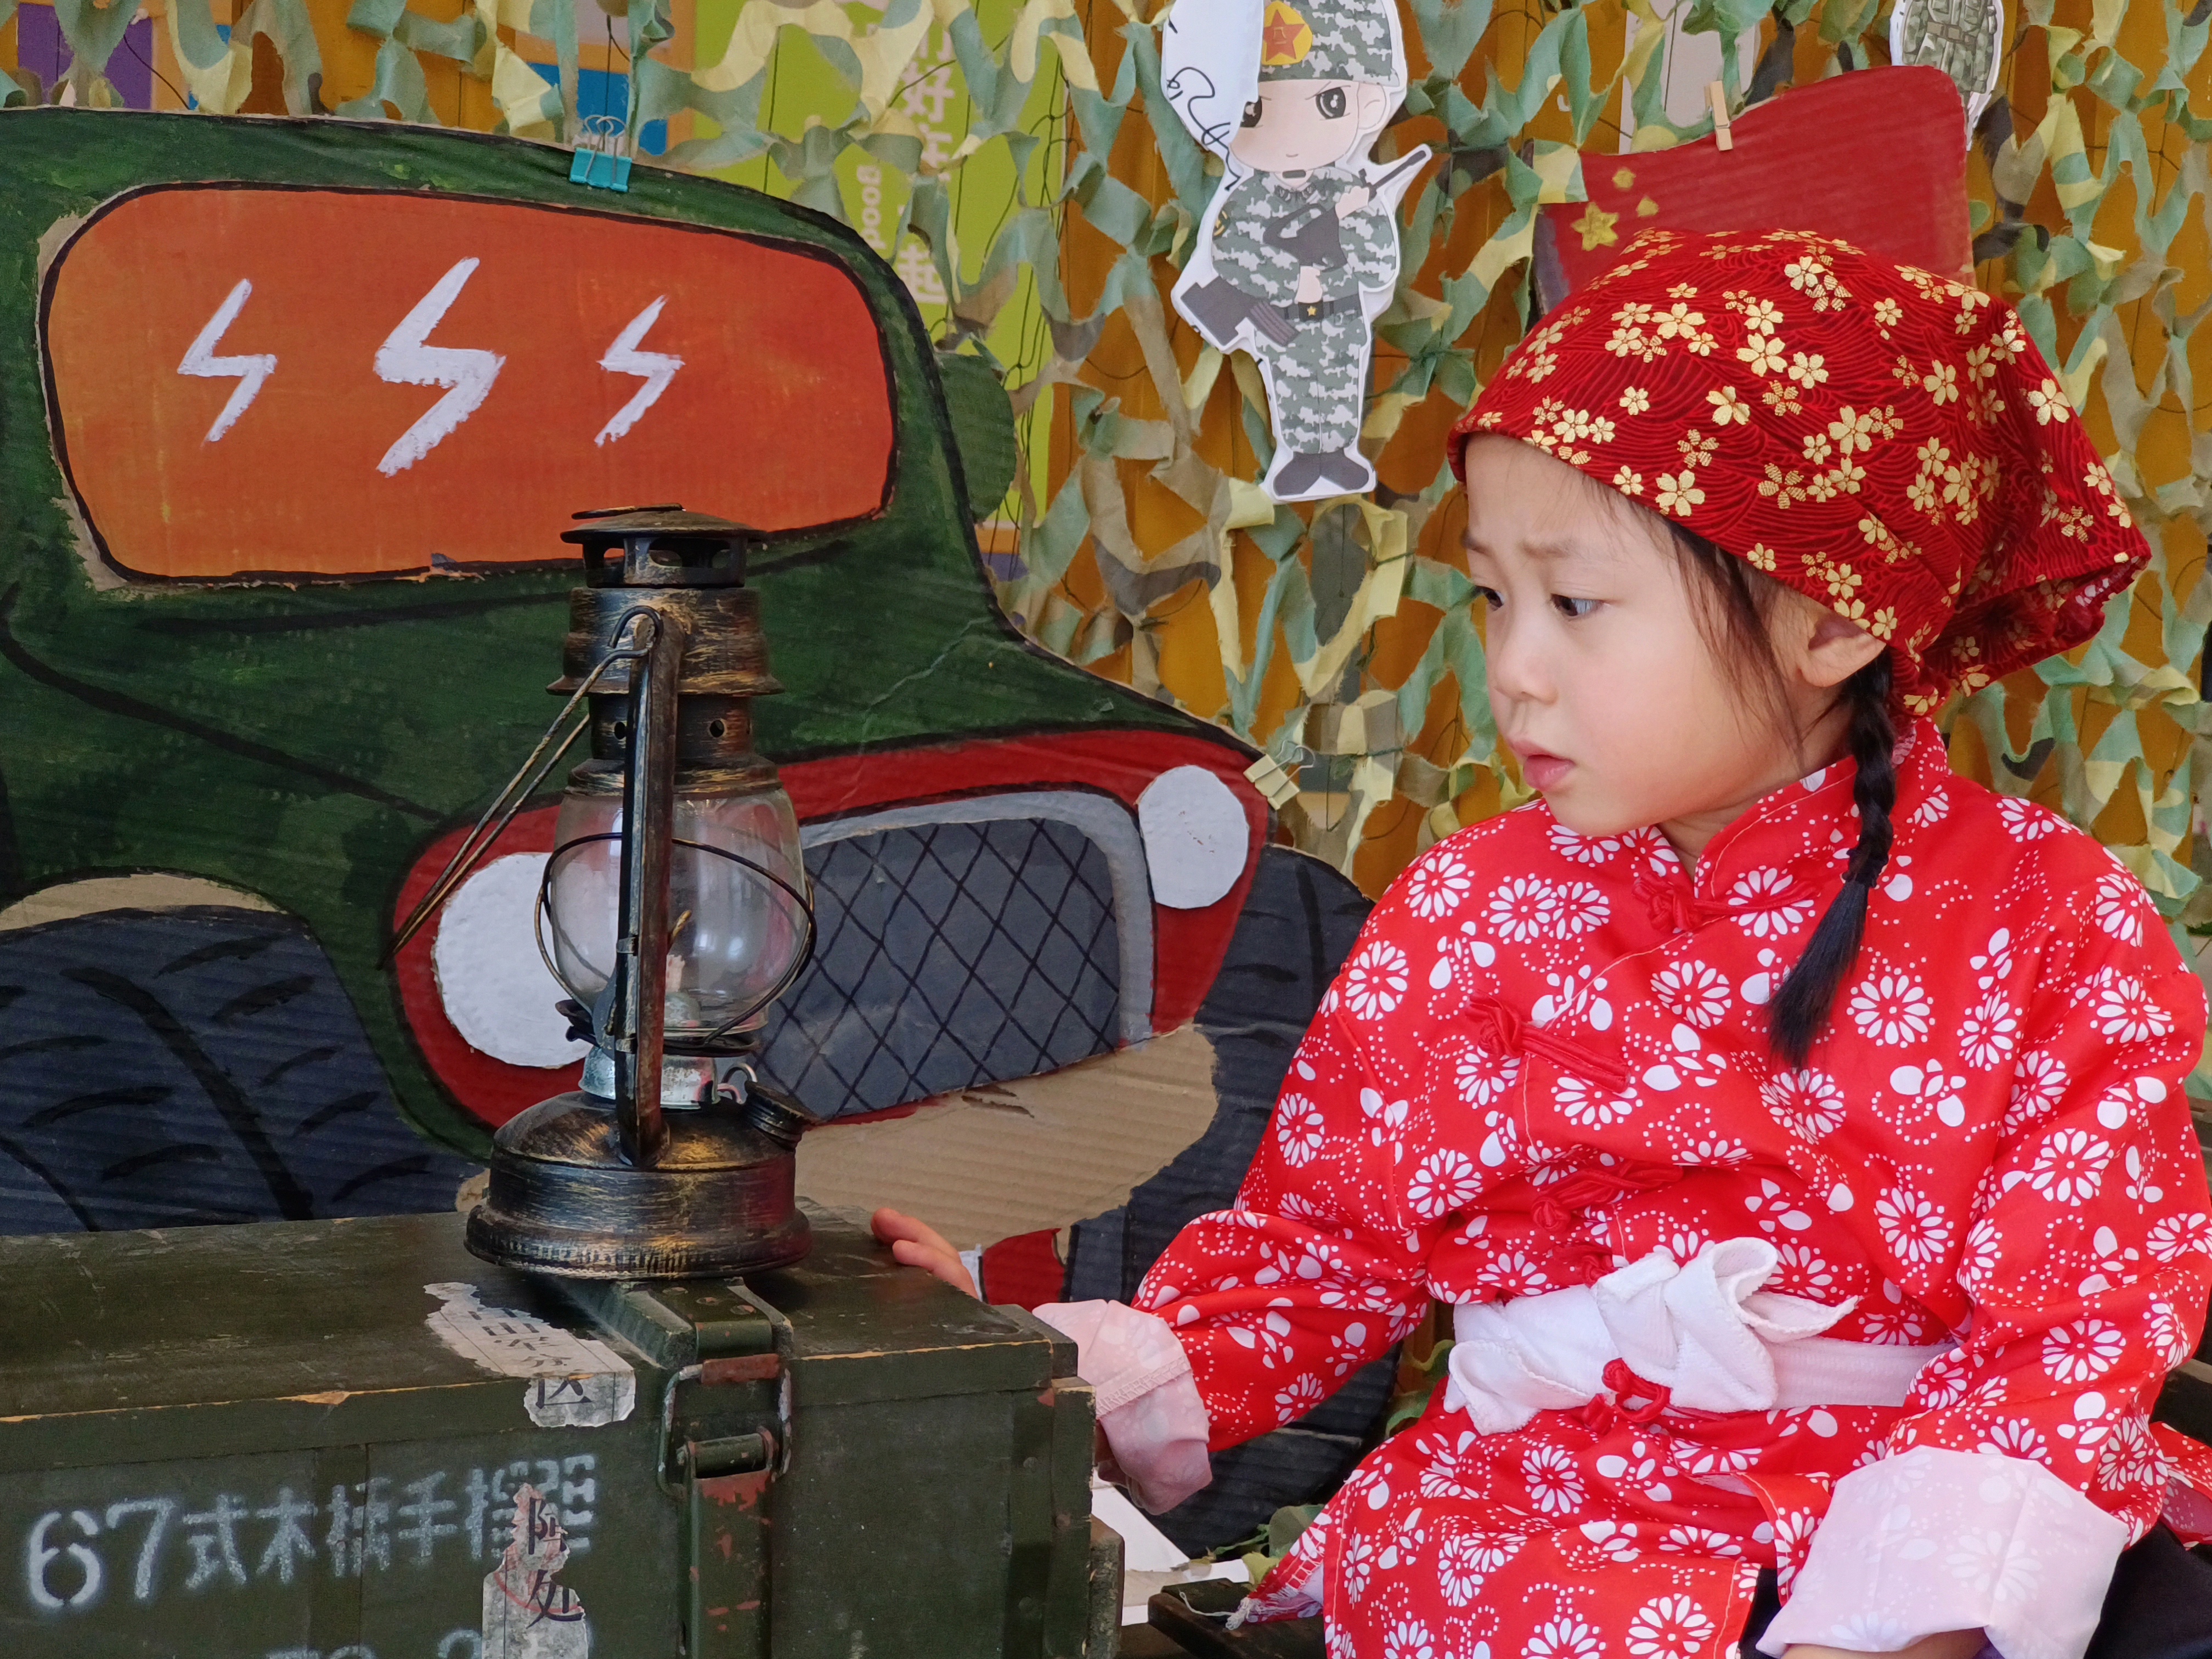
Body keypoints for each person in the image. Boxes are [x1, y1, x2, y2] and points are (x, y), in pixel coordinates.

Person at [878, 228, 2212, 1659]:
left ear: (1830, 618)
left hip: (1903, 1551)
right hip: (1513, 1552)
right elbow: (1316, 1260)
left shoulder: (2051, 920)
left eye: (1575, 603)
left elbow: (2069, 1338)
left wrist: (1893, 1628)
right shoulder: (1470, 906)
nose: (1514, 668)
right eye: (1494, 597)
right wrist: (1023, 1380)